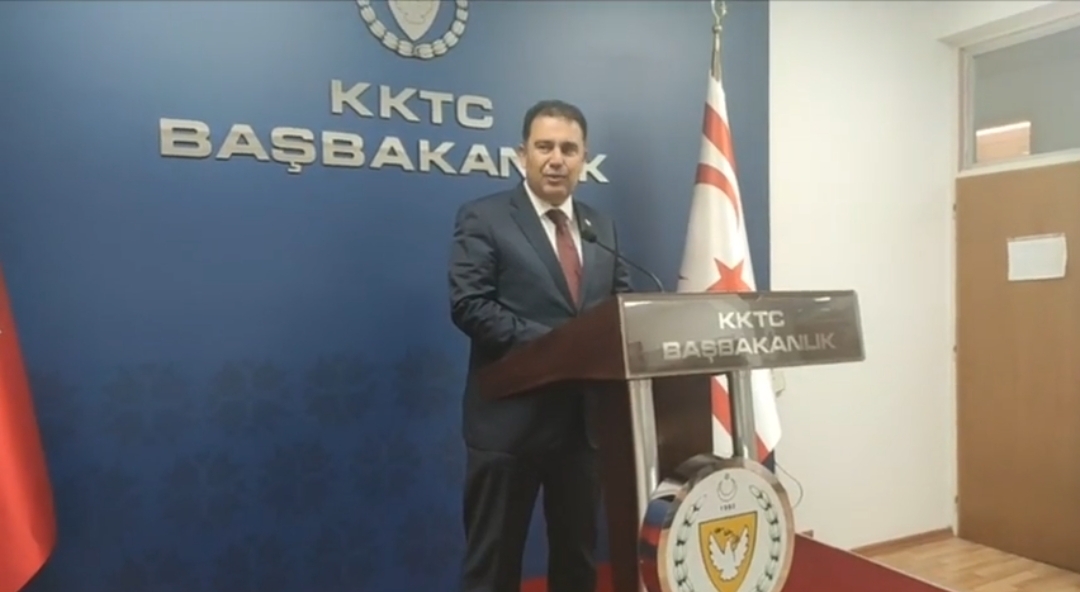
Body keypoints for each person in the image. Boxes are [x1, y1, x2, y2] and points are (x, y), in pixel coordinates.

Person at [448, 99, 633, 592]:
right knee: (493, 567)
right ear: (521, 155)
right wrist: (560, 347)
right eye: (544, 146)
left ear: (584, 159)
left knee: (577, 561)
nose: (556, 159)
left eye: (569, 149)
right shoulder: (485, 217)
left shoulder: (600, 227)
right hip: (509, 426)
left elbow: (620, 305)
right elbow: (470, 305)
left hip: (582, 428)